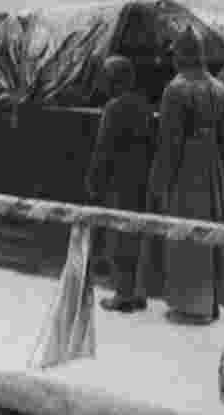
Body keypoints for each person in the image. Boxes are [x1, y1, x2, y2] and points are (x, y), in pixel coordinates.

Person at [141, 26, 224, 326]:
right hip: (213, 167)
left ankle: (190, 306)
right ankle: (210, 302)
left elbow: (169, 141)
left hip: (185, 168)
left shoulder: (175, 89)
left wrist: (159, 181)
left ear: (181, 55)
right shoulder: (221, 90)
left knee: (185, 235)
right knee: (210, 230)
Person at [85, 56, 154, 313]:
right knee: (137, 233)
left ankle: (123, 296)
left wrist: (94, 180)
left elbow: (103, 149)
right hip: (142, 177)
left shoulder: (113, 108)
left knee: (120, 236)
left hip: (119, 179)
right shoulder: (144, 105)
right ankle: (138, 293)